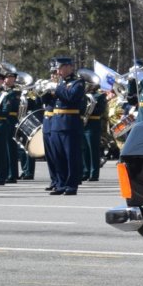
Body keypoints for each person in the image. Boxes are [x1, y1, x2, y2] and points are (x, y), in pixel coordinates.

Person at [40, 57, 88, 195]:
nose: (58, 71)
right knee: (57, 156)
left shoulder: (78, 83)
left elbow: (71, 97)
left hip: (70, 123)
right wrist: (45, 92)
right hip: (56, 123)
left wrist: (56, 88)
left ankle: (71, 185)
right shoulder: (59, 83)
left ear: (69, 67)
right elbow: (46, 102)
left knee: (71, 156)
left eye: (60, 68)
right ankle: (60, 184)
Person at [0, 69, 20, 186]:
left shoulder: (4, 95)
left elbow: (6, 112)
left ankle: (1, 176)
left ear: (1, 81)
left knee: (1, 153)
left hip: (0, 125)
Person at [82, 79, 108, 183]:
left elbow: (100, 110)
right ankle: (85, 172)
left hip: (93, 123)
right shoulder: (82, 95)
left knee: (93, 150)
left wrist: (89, 109)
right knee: (84, 149)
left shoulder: (100, 96)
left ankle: (94, 174)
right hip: (83, 124)